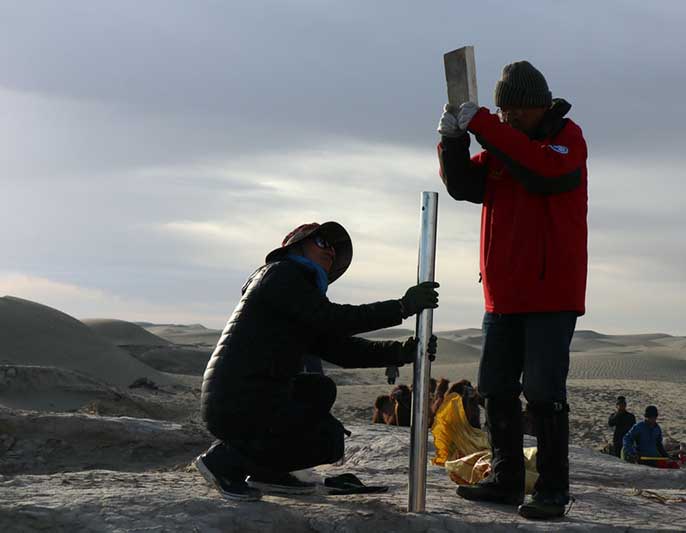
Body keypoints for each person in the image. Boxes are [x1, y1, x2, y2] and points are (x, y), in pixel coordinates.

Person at [438, 60, 588, 519]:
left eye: (515, 110)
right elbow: (464, 186)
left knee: (543, 391)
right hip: (502, 296)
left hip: (550, 294)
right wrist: (452, 141)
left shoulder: (567, 141)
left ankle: (553, 490)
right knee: (496, 388)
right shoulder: (505, 147)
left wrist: (482, 125)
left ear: (539, 105)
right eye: (503, 111)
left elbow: (543, 172)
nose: (509, 118)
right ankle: (505, 481)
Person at [195, 221, 439, 501]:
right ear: (296, 246)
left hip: (248, 397)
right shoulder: (280, 274)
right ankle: (225, 461)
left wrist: (402, 351)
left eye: (334, 250)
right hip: (238, 400)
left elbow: (342, 350)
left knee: (320, 391)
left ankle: (265, 472)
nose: (331, 252)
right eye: (322, 243)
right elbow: (334, 319)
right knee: (325, 438)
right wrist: (401, 307)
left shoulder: (296, 297)